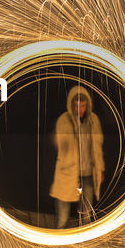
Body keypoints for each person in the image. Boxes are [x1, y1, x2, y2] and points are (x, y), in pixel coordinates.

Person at [50, 84, 104, 230]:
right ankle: (59, 244)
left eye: (83, 106)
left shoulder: (94, 121)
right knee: (63, 216)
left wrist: (100, 169)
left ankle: (83, 246)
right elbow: (61, 142)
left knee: (86, 214)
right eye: (77, 106)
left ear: (88, 105)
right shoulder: (64, 120)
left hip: (88, 175)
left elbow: (97, 148)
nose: (79, 109)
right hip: (68, 173)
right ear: (71, 105)